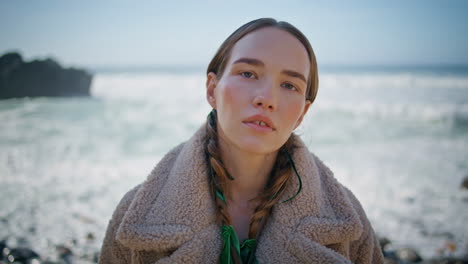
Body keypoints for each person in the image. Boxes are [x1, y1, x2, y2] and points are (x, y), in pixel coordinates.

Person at [99, 18, 384, 264]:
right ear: (212, 89)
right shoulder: (136, 213)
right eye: (248, 73)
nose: (267, 98)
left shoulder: (348, 217)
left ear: (302, 113)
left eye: (289, 85)